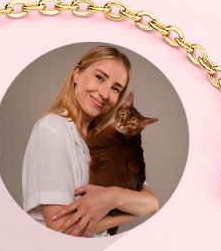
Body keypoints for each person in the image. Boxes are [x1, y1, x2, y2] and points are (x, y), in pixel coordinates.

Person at [22, 46, 159, 237]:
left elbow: (151, 203)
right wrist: (126, 216)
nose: (105, 93)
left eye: (115, 88)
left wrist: (113, 196)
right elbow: (62, 229)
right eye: (100, 77)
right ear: (76, 73)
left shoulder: (108, 139)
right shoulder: (52, 128)